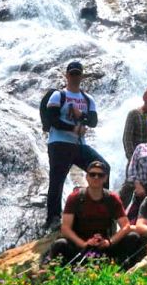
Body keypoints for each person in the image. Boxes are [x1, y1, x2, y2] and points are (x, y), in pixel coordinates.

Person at [43, 60, 105, 231]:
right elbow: (52, 119)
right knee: (57, 180)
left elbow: (92, 121)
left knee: (103, 168)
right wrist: (73, 127)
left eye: (78, 74)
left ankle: (100, 208)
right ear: (66, 75)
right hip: (59, 144)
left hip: (79, 145)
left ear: (82, 76)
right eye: (72, 74)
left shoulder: (87, 98)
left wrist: (81, 115)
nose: (75, 77)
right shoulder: (58, 95)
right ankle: (53, 218)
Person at [49, 160, 141, 266]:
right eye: (92, 174)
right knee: (60, 245)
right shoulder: (74, 198)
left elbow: (125, 226)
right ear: (87, 177)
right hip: (80, 247)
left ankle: (122, 270)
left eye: (100, 175)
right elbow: (65, 229)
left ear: (105, 178)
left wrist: (109, 242)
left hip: (106, 246)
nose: (96, 177)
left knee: (133, 237)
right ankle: (65, 273)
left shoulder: (112, 198)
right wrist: (84, 244)